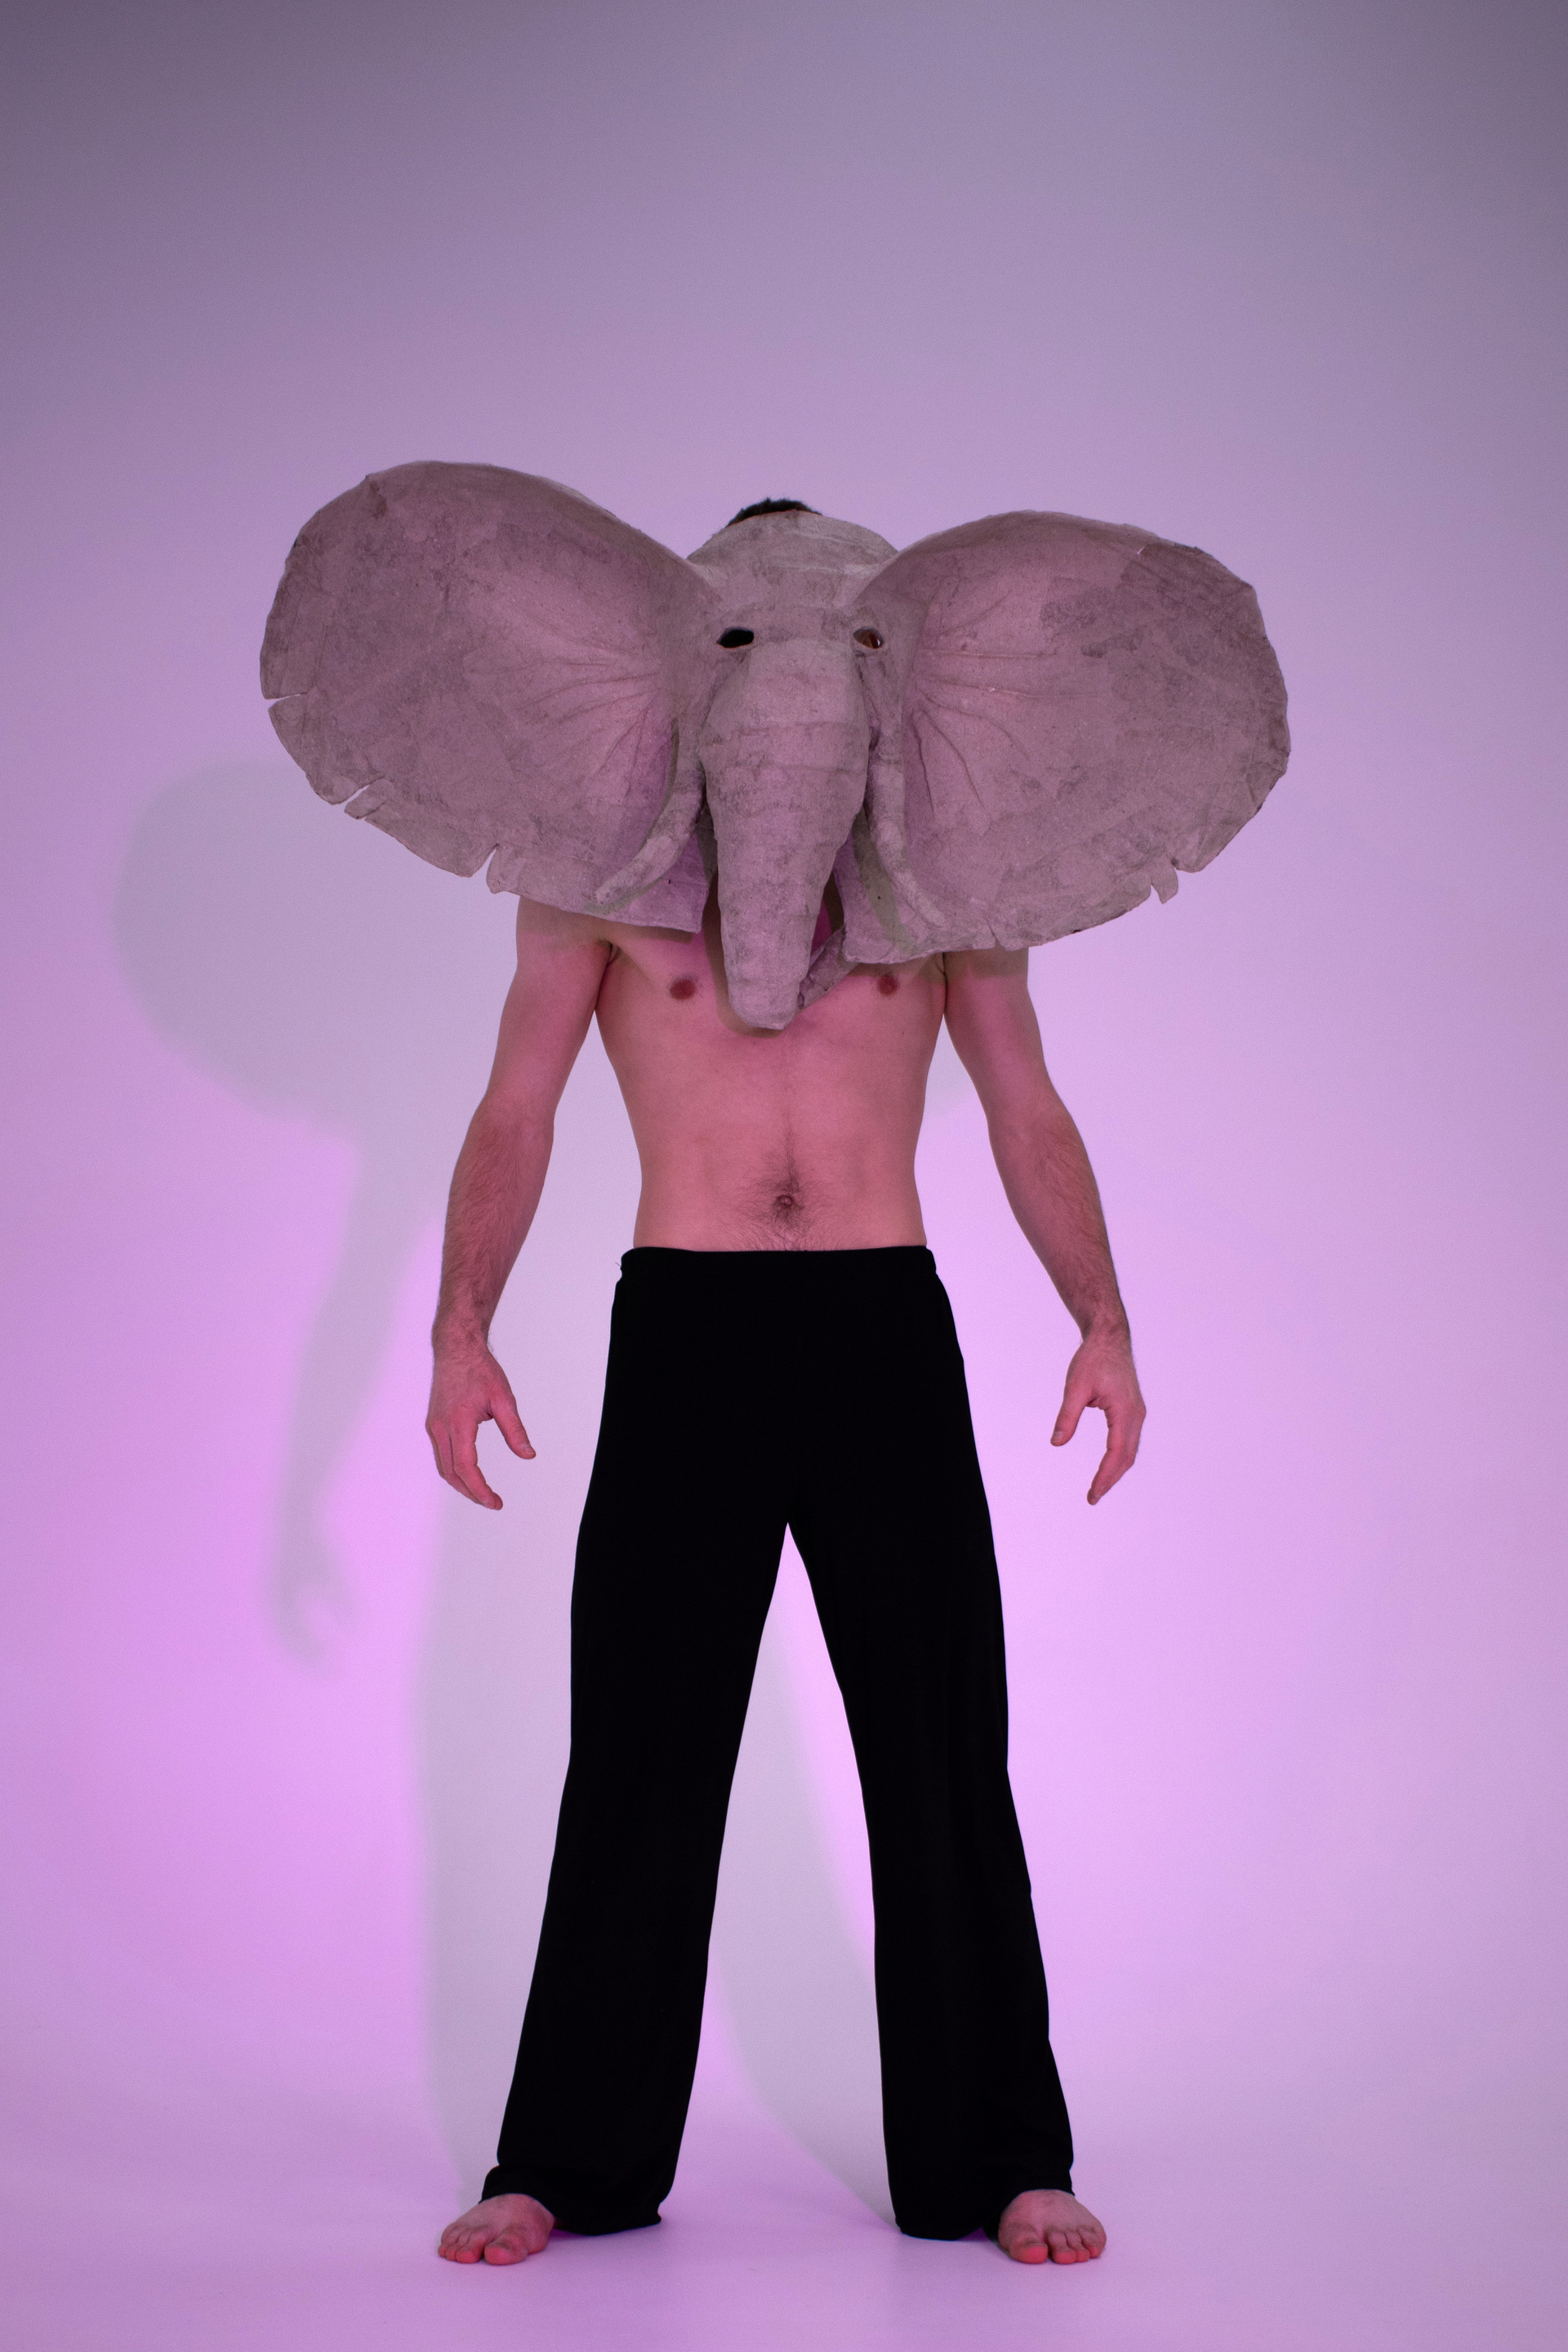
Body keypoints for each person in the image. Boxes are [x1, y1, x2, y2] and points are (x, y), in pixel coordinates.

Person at [428, 865, 1144, 2269]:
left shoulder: (943, 870)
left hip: (883, 1323)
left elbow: (1025, 1103)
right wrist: (463, 1332)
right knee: (639, 1756)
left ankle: (1003, 2157)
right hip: (687, 1325)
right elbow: (518, 1105)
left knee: (942, 1754)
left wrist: (1102, 1322)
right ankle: (566, 2161)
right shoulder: (600, 874)